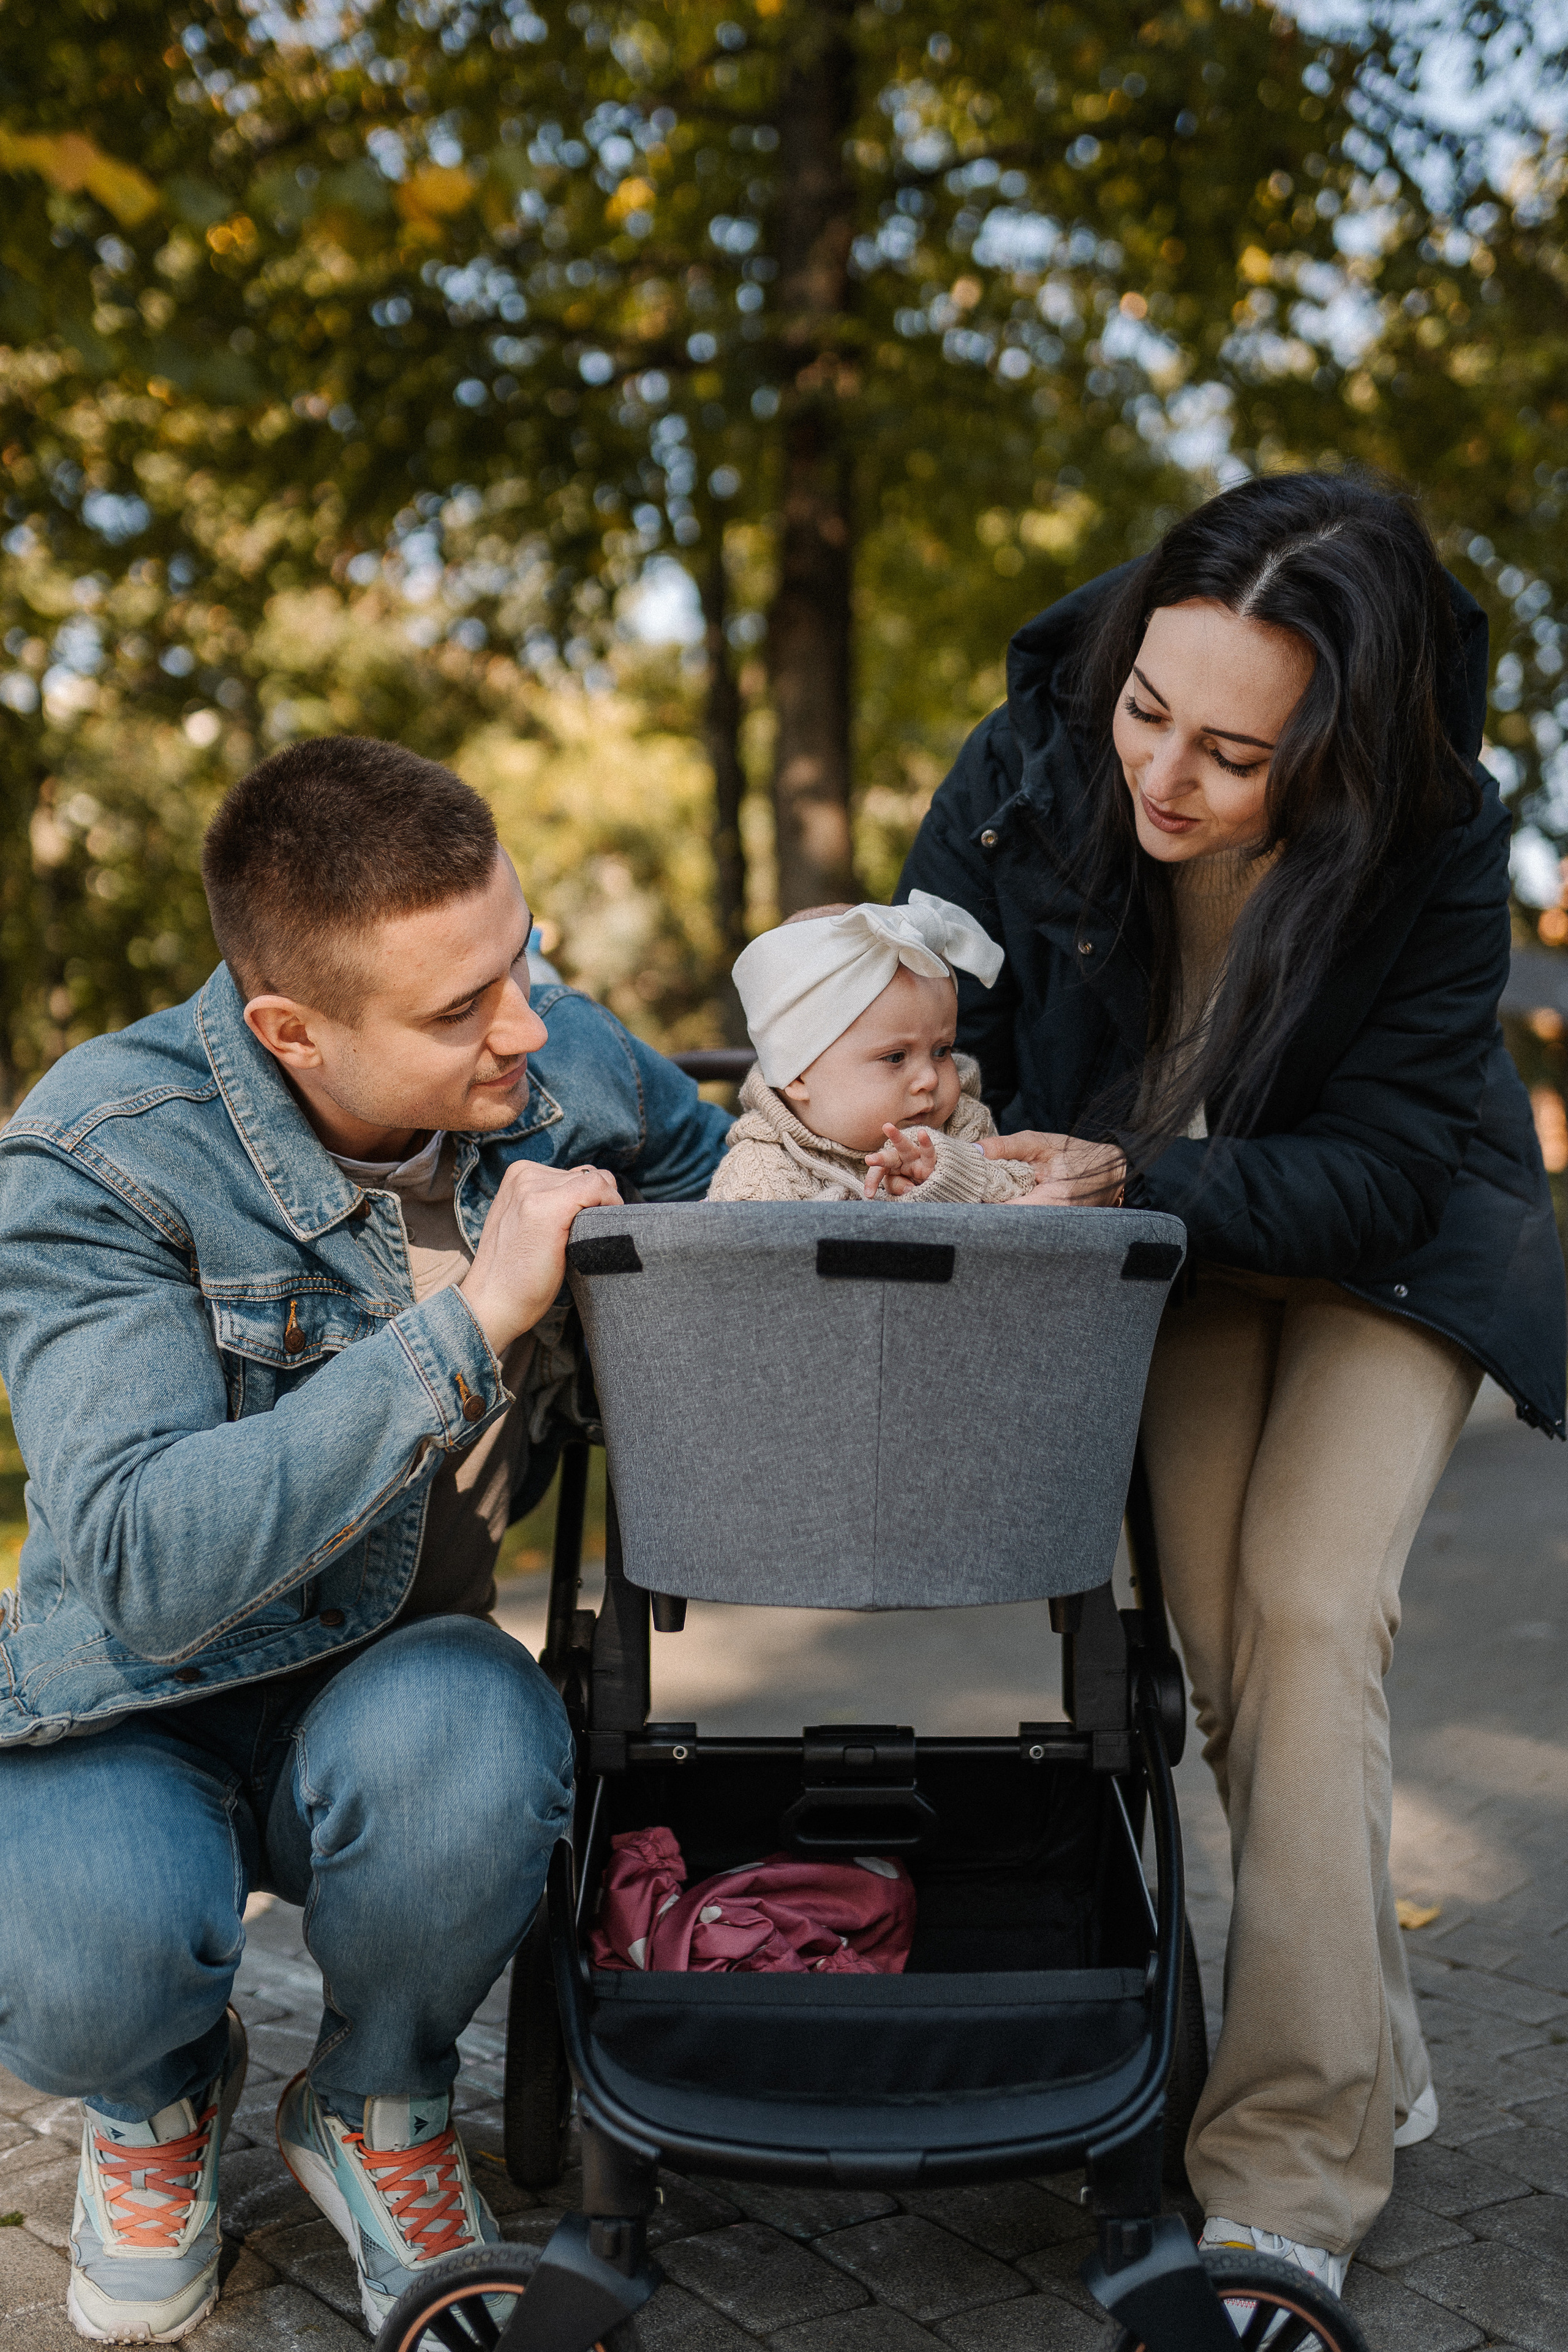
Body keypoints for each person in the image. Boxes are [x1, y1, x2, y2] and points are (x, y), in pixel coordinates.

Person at [898, 471, 1568, 2289]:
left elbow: (1377, 1167)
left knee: (1304, 1603)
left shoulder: (1435, 837)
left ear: (1336, 757)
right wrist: (914, 1113)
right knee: (1216, 1649)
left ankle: (1289, 2162)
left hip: (1389, 1243)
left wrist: (1135, 1168)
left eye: (1233, 753)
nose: (1162, 775)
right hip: (1164, 1248)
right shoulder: (1029, 758)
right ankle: (1375, 2043)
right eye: (1144, 709)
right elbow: (927, 1001)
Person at [0, 736, 731, 2343]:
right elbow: (146, 1557)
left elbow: (697, 1156)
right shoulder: (96, 1155)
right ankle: (159, 2096)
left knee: (491, 1741)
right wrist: (474, 1328)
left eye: (519, 959)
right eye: (461, 1010)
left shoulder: (543, 1062)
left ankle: (379, 2103)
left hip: (400, 1680)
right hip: (131, 1703)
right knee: (73, 1949)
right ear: (291, 1031)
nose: (523, 1029)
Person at [709, 892, 1036, 1203]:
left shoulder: (962, 1125)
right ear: (797, 1076)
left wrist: (949, 1176)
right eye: (895, 1057)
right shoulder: (759, 1173)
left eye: (942, 1051)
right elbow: (746, 1258)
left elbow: (1028, 1197)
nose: (930, 1079)